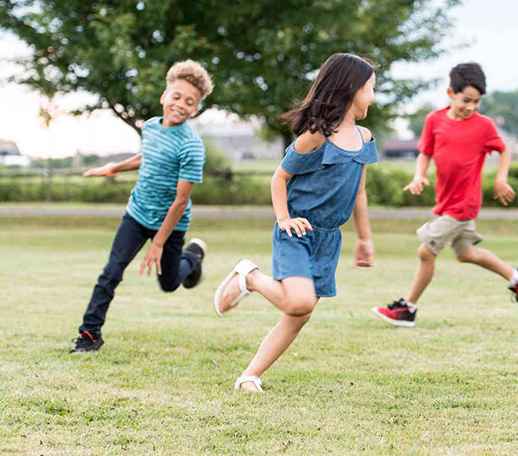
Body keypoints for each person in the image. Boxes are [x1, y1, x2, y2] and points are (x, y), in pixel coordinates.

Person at [213, 53, 377, 392]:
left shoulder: (365, 137)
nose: (373, 97)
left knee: (299, 315)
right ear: (352, 89)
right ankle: (250, 277)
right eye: (371, 89)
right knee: (299, 302)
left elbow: (359, 192)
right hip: (298, 232)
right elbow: (279, 177)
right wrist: (284, 218)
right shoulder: (316, 135)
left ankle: (249, 376)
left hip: (330, 238)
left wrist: (364, 238)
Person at [371, 63, 518, 327]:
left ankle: (407, 308)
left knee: (426, 252)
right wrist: (419, 175)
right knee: (465, 253)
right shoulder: (434, 120)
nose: (471, 107)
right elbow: (425, 152)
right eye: (466, 100)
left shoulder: (484, 126)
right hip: (445, 201)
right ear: (451, 93)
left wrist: (501, 179)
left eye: (477, 102)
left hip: (464, 204)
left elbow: (504, 150)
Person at [70, 60, 212, 353]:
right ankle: (89, 336)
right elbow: (145, 156)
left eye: (189, 102)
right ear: (164, 96)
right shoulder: (150, 127)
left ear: (195, 109)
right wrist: (114, 168)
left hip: (170, 225)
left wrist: (159, 242)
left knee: (170, 284)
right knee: (111, 272)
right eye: (176, 97)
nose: (181, 105)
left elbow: (181, 200)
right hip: (136, 214)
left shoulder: (192, 146)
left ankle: (194, 257)